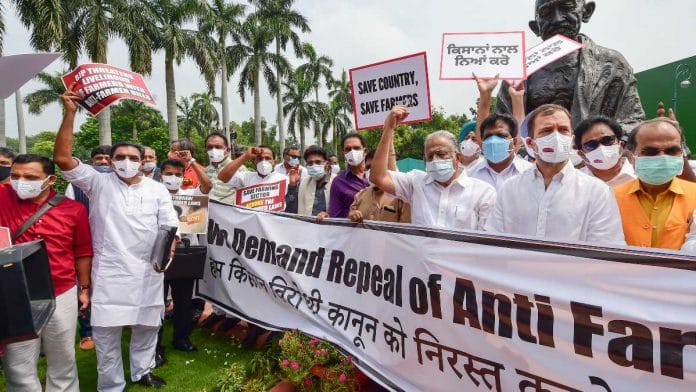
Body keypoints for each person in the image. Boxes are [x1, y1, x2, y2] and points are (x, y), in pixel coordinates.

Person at [54, 88, 179, 390]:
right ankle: (111, 384)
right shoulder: (97, 182)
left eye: (132, 157)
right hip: (110, 271)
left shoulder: (157, 188)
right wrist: (70, 113)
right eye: (120, 157)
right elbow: (61, 158)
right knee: (107, 333)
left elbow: (169, 226)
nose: (126, 161)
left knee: (147, 327)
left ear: (142, 161)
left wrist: (167, 255)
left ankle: (142, 371)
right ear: (109, 161)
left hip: (148, 271)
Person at [1, 154, 92, 392]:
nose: (21, 181)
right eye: (15, 176)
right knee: (18, 366)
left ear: (50, 180)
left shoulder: (74, 209)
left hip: (60, 291)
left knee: (63, 361)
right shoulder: (2, 199)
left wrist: (84, 288)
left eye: (30, 177)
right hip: (14, 294)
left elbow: (82, 251)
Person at [495, 0, 645, 134]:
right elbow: (501, 126)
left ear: (586, 12)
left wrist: (598, 141)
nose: (557, 19)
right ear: (536, 27)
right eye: (546, 13)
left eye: (566, 7)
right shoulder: (518, 70)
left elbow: (633, 123)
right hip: (534, 159)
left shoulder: (612, 64)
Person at [486, 104, 625, 244]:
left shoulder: (597, 192)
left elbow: (605, 251)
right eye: (547, 131)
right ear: (530, 143)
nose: (556, 136)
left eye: (563, 130)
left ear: (571, 140)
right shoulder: (509, 189)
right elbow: (494, 243)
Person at [370, 106, 496, 230]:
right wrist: (388, 129)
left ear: (457, 158)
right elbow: (378, 177)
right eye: (430, 157)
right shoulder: (416, 183)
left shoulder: (482, 192)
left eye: (441, 154)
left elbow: (487, 241)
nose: (435, 160)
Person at [156, 159, 211, 364]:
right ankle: (155, 346)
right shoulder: (154, 195)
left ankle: (181, 338)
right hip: (159, 257)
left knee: (184, 301)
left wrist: (192, 162)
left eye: (178, 174)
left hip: (186, 256)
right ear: (161, 174)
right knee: (158, 303)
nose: (173, 178)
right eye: (169, 173)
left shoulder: (190, 195)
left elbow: (207, 185)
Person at [613, 118, 696, 250]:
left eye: (672, 151)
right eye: (651, 152)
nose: (662, 157)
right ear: (631, 157)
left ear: (682, 154)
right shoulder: (611, 198)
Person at [468, 113, 533, 191]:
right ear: (482, 143)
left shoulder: (531, 173)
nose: (493, 141)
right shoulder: (469, 176)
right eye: (488, 136)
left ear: (514, 142)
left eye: (500, 135)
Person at [574, 115, 635, 187]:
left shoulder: (640, 177)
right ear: (582, 155)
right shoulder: (573, 183)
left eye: (607, 140)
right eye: (591, 145)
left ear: (621, 145)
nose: (601, 148)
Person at [217, 145, 288, 200]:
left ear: (274, 162)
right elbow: (222, 177)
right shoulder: (245, 177)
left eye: (267, 158)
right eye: (260, 158)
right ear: (254, 162)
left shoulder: (284, 179)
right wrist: (246, 156)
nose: (263, 161)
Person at [329, 133, 370, 218]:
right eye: (348, 149)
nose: (352, 152)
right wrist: (349, 215)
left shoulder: (377, 176)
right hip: (353, 230)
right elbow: (335, 215)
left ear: (365, 151)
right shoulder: (338, 182)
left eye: (356, 148)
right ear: (344, 153)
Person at [204, 132, 244, 205]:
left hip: (228, 213)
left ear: (228, 150)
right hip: (208, 213)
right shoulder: (206, 170)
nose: (213, 150)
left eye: (218, 147)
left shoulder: (239, 168)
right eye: (210, 147)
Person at [297, 145, 336, 220]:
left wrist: (329, 215)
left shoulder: (336, 181)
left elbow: (342, 211)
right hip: (308, 228)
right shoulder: (305, 182)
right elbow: (300, 211)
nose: (314, 166)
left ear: (326, 164)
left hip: (331, 227)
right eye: (310, 163)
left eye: (318, 162)